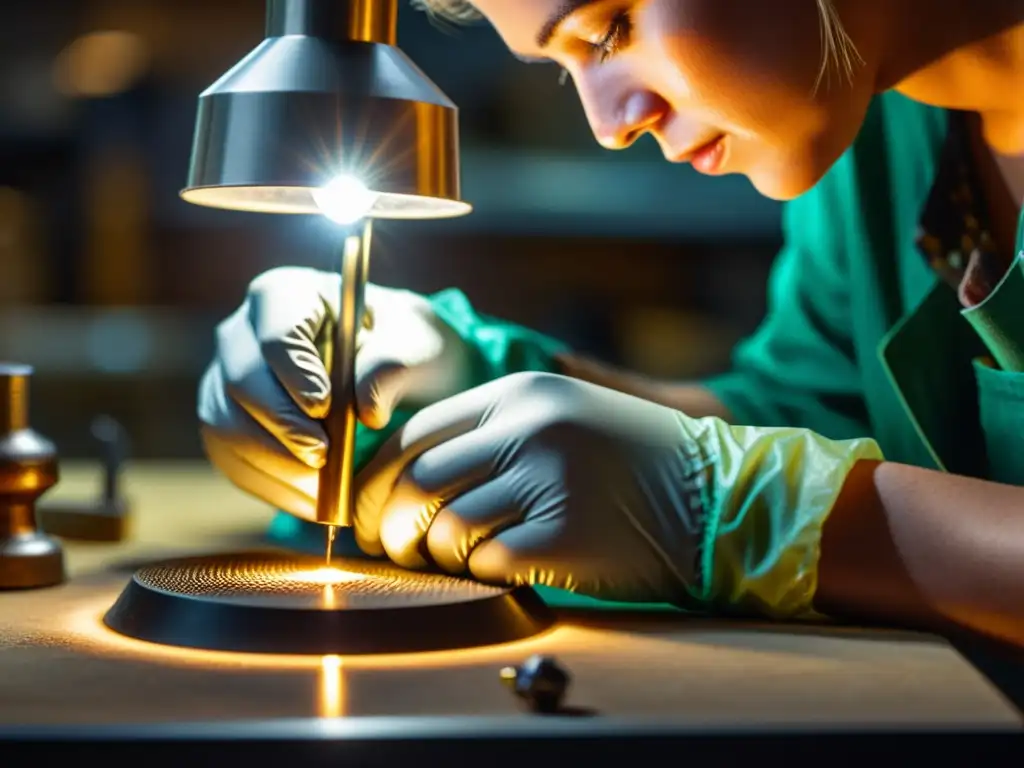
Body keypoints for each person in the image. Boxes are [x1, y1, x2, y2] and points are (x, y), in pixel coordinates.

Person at [198, 0, 1024, 649]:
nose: (610, 122)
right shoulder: (879, 128)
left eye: (615, 26)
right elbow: (825, 420)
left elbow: (770, 489)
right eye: (563, 69)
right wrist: (478, 378)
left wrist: (733, 508)